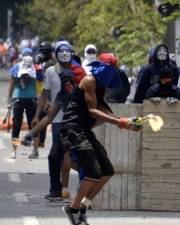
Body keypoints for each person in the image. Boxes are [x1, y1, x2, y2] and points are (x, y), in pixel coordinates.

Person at [58, 60, 140, 225]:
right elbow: (93, 111)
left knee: (107, 171)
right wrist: (120, 122)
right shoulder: (89, 81)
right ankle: (72, 209)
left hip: (84, 131)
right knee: (93, 172)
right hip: (73, 129)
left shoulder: (100, 86)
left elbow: (105, 111)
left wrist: (128, 121)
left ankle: (83, 208)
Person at [32, 40, 86, 201]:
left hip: (75, 120)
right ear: (56, 54)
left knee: (73, 156)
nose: (64, 54)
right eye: (61, 52)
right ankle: (57, 190)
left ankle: (84, 186)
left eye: (66, 51)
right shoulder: (50, 72)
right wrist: (37, 115)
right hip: (57, 121)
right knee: (57, 157)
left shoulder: (79, 72)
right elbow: (44, 95)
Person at [7, 48, 37, 158]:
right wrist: (9, 98)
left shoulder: (36, 68)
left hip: (25, 99)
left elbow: (12, 84)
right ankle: (16, 150)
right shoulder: (18, 67)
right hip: (22, 99)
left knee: (31, 125)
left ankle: (34, 150)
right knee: (17, 125)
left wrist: (9, 98)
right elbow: (12, 83)